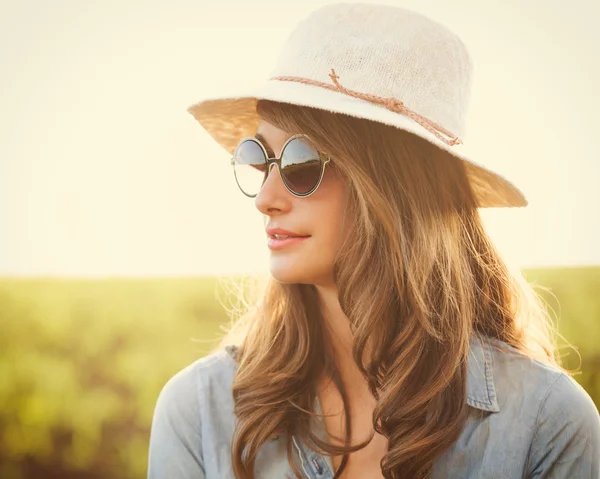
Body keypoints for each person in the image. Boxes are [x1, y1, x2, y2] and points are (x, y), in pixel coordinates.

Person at [147, 3, 600, 478]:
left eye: (301, 162)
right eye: (257, 157)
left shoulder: (546, 424)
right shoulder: (198, 412)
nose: (266, 198)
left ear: (394, 186)